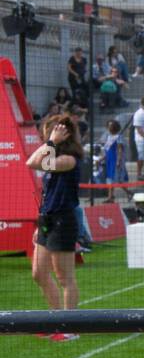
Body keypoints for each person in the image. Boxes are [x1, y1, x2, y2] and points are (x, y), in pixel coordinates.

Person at [27, 113, 83, 339]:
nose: (45, 136)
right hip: (47, 219)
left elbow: (36, 163)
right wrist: (40, 224)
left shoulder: (69, 159)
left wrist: (51, 141)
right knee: (39, 273)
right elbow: (33, 162)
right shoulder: (54, 152)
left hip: (63, 220)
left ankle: (69, 328)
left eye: (50, 132)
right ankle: (55, 321)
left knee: (64, 278)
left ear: (62, 135)